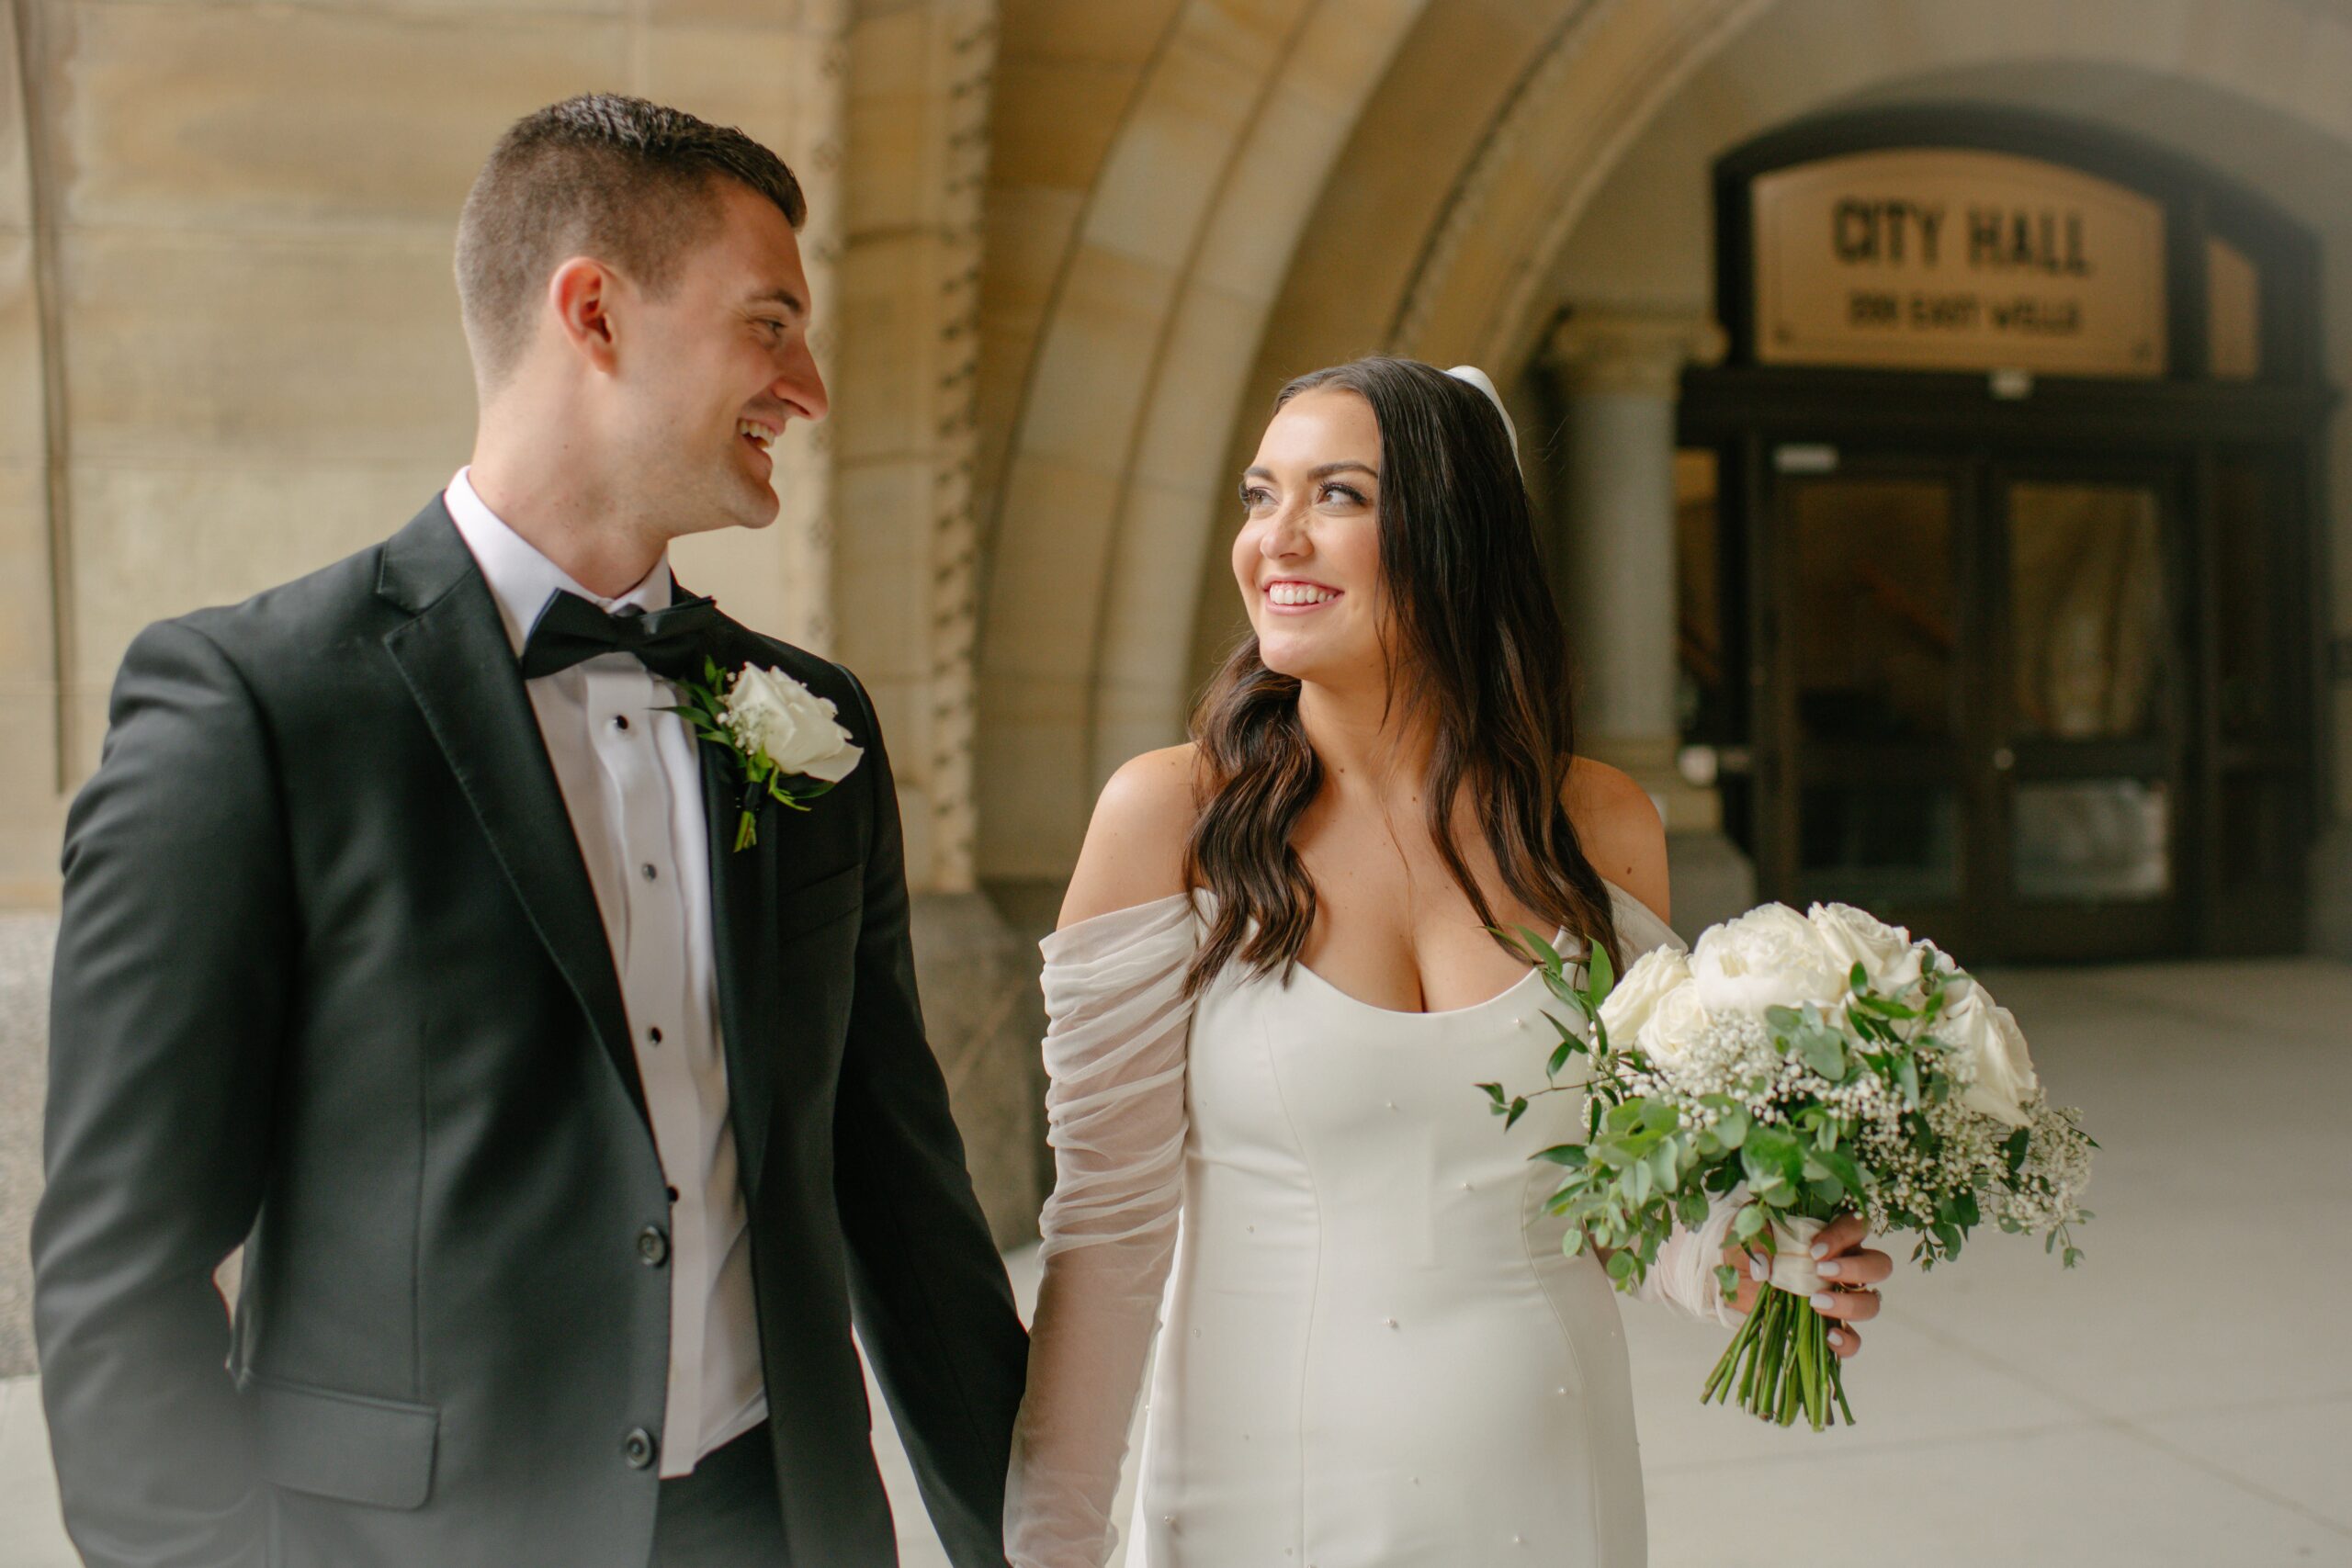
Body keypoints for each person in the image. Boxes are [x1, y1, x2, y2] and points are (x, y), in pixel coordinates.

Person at [33, 94, 1025, 1568]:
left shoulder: (813, 726)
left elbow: (904, 1200)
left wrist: (1037, 1539)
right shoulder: (254, 708)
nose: (807, 388)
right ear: (595, 313)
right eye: (769, 324)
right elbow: (120, 1275)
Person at [1003, 357, 1894, 1566]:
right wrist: (1048, 1545)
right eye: (1261, 497)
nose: (1277, 540)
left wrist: (1743, 1262)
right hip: (1261, 1500)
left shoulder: (1601, 828)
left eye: (1339, 497)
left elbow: (1612, 1194)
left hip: (1547, 1482)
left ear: (1454, 534)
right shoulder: (1168, 818)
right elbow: (1107, 1231)